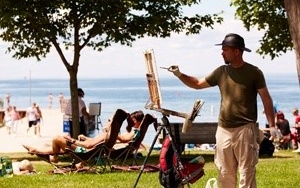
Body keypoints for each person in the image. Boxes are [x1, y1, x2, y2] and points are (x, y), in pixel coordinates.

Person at [167, 33, 276, 188]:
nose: (222, 52)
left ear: (237, 51)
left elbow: (266, 99)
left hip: (245, 129)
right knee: (224, 172)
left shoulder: (254, 72)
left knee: (247, 172)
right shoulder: (221, 72)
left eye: (225, 49)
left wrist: (272, 126)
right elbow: (198, 83)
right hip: (223, 130)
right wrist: (179, 74)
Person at [22, 110, 145, 163]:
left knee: (57, 138)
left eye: (109, 120)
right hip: (90, 151)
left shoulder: (108, 134)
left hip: (85, 152)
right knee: (52, 143)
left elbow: (89, 145)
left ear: (111, 123)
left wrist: (72, 141)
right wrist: (86, 138)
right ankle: (40, 151)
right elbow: (94, 143)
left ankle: (52, 157)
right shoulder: (111, 135)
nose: (107, 121)